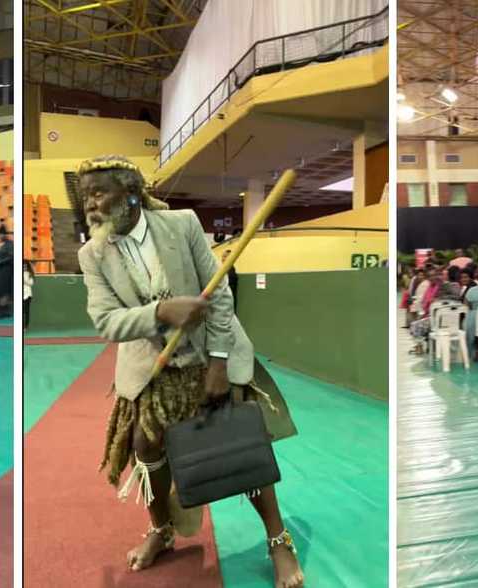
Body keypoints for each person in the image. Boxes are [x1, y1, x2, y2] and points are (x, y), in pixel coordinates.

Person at [75, 155, 302, 587]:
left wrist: (218, 362)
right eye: (86, 195)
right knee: (146, 446)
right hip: (150, 369)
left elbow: (219, 299)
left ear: (131, 194)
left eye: (99, 192)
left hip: (208, 357)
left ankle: (278, 541)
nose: (91, 203)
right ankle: (161, 530)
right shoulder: (93, 254)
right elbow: (106, 321)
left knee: (237, 445)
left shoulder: (182, 224)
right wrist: (161, 311)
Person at [22, 260, 34, 330]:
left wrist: (24, 281)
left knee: (26, 311)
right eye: (23, 266)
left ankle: (26, 326)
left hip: (28, 294)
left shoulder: (30, 274)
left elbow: (31, 283)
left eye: (25, 266)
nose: (24, 267)